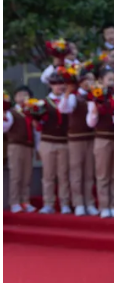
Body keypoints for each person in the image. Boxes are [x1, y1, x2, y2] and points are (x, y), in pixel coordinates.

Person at [87, 68, 114, 218]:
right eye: (109, 79)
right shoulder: (95, 98)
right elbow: (90, 122)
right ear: (101, 81)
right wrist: (95, 108)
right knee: (102, 175)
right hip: (102, 139)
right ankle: (104, 206)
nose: (112, 83)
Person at [39, 72, 75, 214]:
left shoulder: (69, 100)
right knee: (48, 174)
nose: (59, 86)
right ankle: (48, 203)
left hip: (64, 141)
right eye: (55, 83)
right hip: (47, 141)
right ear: (50, 85)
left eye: (61, 83)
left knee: (63, 174)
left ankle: (65, 202)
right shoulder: (43, 103)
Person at [65, 70, 100, 216]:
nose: (89, 83)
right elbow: (65, 108)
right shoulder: (74, 96)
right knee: (76, 172)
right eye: (87, 80)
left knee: (89, 172)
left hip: (91, 137)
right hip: (76, 139)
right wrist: (68, 92)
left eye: (92, 80)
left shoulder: (96, 96)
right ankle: (78, 202)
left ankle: (89, 202)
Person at [3, 86, 37, 213]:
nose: (23, 97)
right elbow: (4, 128)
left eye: (26, 95)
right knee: (16, 175)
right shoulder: (11, 112)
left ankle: (25, 201)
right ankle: (14, 202)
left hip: (28, 147)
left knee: (27, 176)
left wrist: (38, 148)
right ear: (15, 98)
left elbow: (36, 132)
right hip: (15, 146)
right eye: (20, 95)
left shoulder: (31, 113)